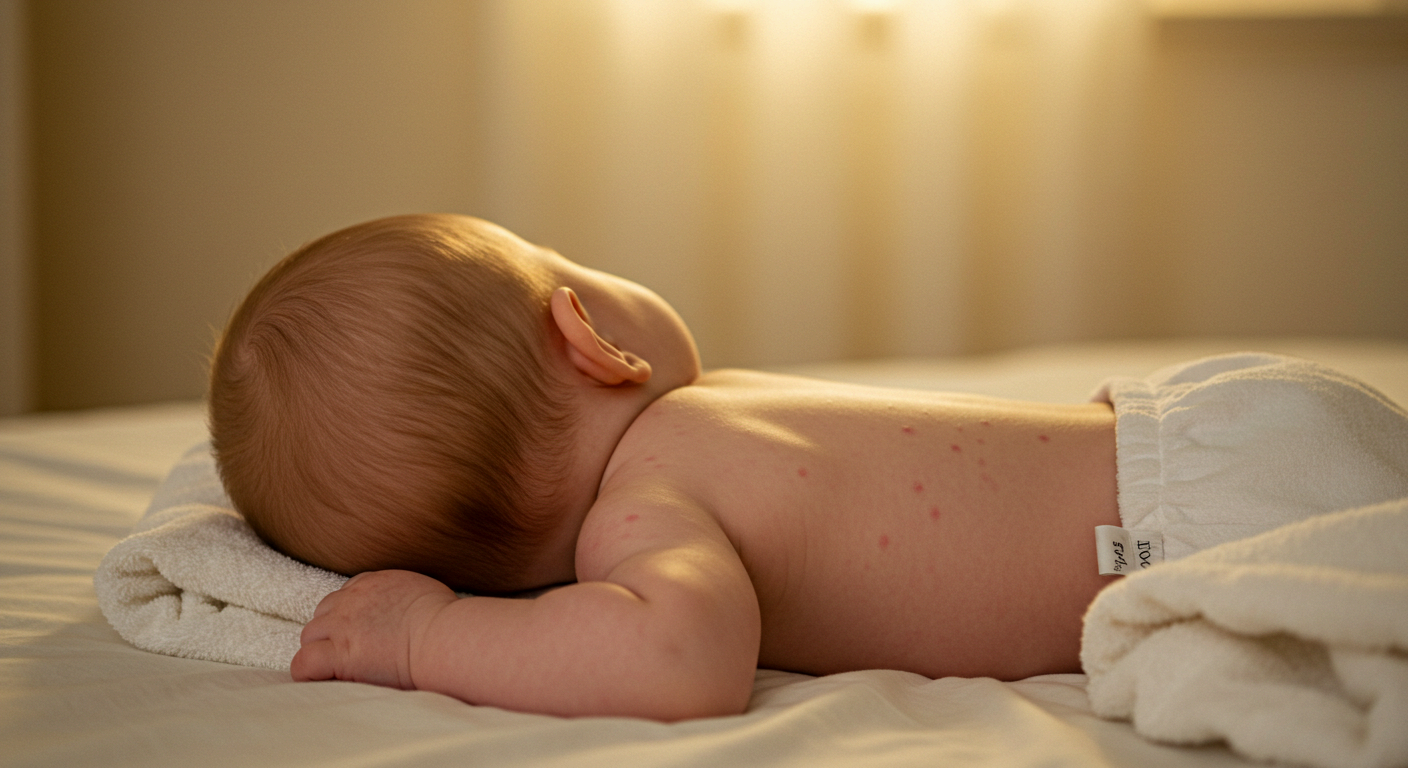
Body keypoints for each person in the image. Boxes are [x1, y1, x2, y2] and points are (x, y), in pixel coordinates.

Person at [208, 214, 1408, 721]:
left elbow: (674, 657)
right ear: (589, 338)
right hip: (1220, 471)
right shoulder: (652, 500)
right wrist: (431, 639)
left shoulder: (664, 483)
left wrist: (424, 630)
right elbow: (678, 659)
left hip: (1194, 517)